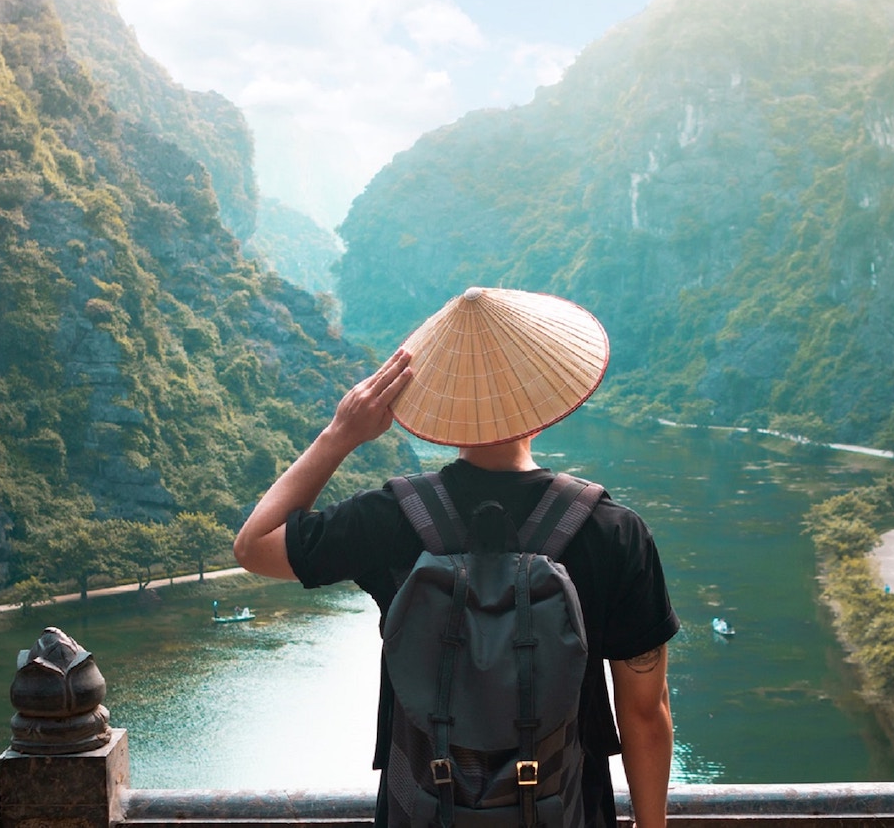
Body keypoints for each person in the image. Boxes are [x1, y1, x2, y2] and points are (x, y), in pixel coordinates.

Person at [235, 287, 679, 828]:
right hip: (566, 809)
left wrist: (340, 434)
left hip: (425, 808)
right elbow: (644, 713)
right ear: (543, 404)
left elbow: (254, 546)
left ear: (445, 412)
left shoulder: (391, 518)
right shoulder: (613, 531)